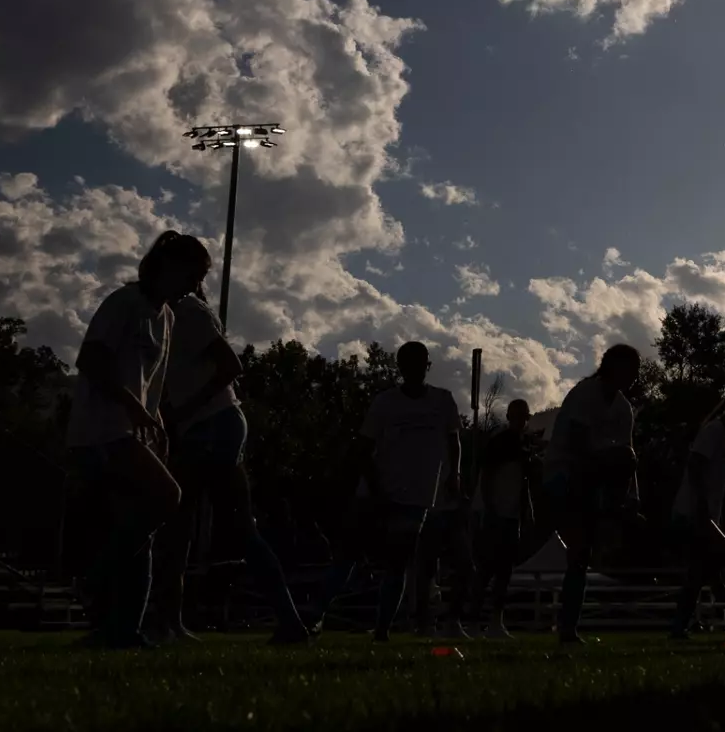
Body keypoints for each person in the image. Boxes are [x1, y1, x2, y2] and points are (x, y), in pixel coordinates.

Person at [68, 230, 209, 648]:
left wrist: (158, 421)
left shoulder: (165, 316)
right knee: (167, 496)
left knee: (141, 530)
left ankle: (121, 629)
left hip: (134, 430)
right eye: (193, 275)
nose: (195, 287)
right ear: (169, 266)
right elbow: (91, 360)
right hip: (102, 430)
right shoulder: (124, 303)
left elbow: (152, 384)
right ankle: (97, 577)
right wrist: (133, 408)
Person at [148, 288, 308, 644]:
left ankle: (288, 622)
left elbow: (231, 367)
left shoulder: (190, 312)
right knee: (183, 528)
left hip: (214, 426)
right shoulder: (163, 318)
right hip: (201, 428)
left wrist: (184, 411)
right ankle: (170, 623)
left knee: (216, 527)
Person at [309, 342, 460, 642]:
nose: (416, 368)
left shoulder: (443, 401)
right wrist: (375, 490)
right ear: (400, 367)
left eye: (421, 362)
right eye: (409, 363)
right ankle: (313, 618)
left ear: (427, 366)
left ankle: (382, 630)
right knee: (349, 557)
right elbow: (363, 449)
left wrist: (454, 475)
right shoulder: (385, 403)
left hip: (416, 496)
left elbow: (454, 440)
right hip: (376, 493)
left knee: (397, 563)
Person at [541, 344, 640, 645]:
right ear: (611, 367)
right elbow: (578, 444)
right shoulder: (585, 394)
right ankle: (567, 626)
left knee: (580, 556)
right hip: (565, 474)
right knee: (578, 551)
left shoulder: (624, 409)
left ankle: (568, 627)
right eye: (629, 368)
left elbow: (628, 455)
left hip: (592, 478)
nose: (635, 375)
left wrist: (630, 497)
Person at [670, 389, 725, 640]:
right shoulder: (714, 432)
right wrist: (702, 508)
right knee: (710, 565)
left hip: (706, 514)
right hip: (695, 513)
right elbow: (696, 466)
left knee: (707, 572)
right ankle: (682, 626)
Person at [466, 399, 536, 638]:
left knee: (504, 572)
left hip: (511, 515)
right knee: (486, 570)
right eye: (516, 416)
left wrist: (526, 510)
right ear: (509, 417)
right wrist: (489, 508)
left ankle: (496, 621)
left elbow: (524, 482)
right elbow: (486, 477)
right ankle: (475, 622)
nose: (520, 421)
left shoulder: (523, 445)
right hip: (496, 513)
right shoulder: (500, 443)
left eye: (523, 417)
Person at [414, 452, 473, 638]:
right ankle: (425, 624)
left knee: (464, 566)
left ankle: (450, 621)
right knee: (427, 570)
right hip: (430, 508)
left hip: (449, 509)